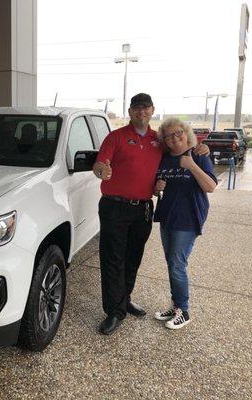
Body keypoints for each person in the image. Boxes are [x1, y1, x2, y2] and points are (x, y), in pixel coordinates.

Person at [92, 93, 209, 335]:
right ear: (130, 111)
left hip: (143, 208)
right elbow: (99, 164)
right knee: (113, 259)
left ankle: (124, 299)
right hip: (115, 207)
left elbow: (181, 145)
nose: (141, 112)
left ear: (152, 110)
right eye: (136, 108)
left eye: (145, 108)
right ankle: (114, 311)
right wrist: (101, 170)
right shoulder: (116, 137)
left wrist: (200, 147)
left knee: (133, 257)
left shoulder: (159, 140)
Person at [153, 118, 217, 330]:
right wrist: (156, 187)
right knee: (172, 264)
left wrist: (191, 166)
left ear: (186, 132)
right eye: (168, 136)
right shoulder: (164, 158)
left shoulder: (198, 154)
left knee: (178, 265)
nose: (174, 138)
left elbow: (210, 187)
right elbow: (158, 187)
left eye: (178, 132)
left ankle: (184, 310)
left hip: (188, 218)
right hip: (168, 217)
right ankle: (176, 306)